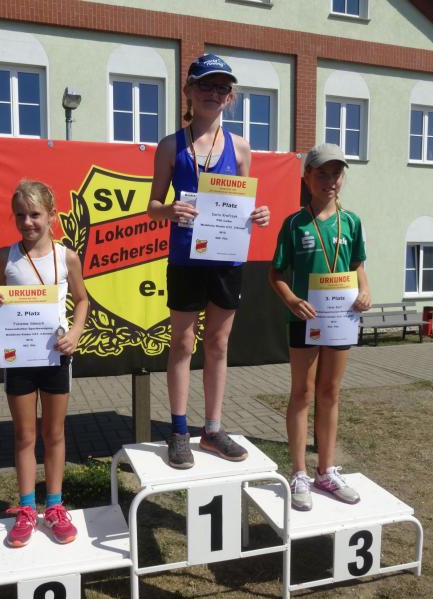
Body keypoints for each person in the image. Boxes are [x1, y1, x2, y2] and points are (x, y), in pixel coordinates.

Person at [147, 54, 271, 469]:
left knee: (218, 344)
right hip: (185, 259)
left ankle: (213, 430)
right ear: (188, 91)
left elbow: (243, 204)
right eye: (205, 85)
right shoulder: (170, 146)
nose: (213, 94)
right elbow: (152, 205)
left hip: (225, 260)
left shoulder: (240, 147)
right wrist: (170, 211)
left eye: (221, 88)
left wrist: (258, 214)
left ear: (229, 98)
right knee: (182, 344)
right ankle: (179, 430)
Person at [0, 180, 89, 546]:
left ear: (52, 216)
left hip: (55, 356)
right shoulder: (4, 256)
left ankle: (54, 506)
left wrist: (75, 332)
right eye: (20, 215)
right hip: (19, 359)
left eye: (35, 214)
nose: (27, 222)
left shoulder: (66, 257)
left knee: (54, 434)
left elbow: (83, 300)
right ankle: (26, 508)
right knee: (25, 436)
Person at [268, 143, 371, 510]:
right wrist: (291, 300)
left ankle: (326, 470)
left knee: (330, 393)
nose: (330, 180)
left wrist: (365, 290)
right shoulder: (294, 223)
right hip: (306, 319)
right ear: (307, 177)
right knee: (302, 393)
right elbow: (276, 273)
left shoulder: (352, 221)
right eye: (322, 173)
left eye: (336, 174)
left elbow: (357, 265)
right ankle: (298, 473)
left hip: (341, 318)